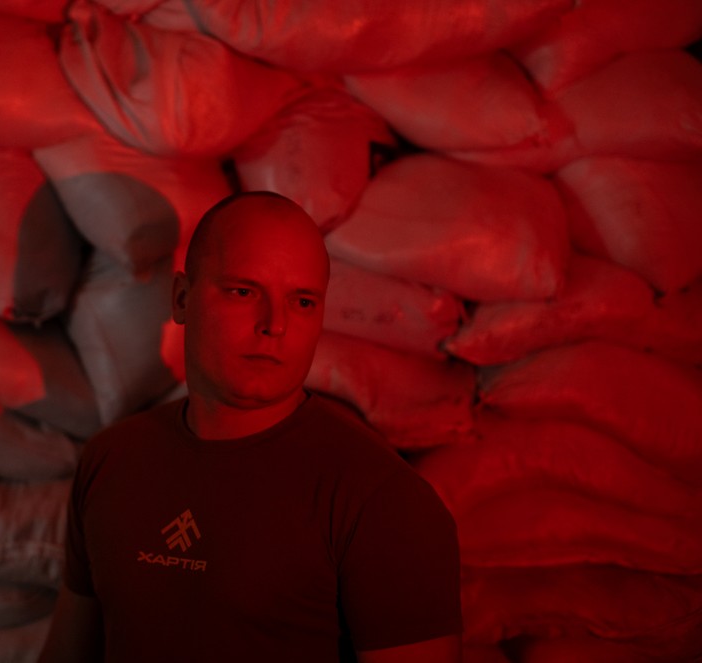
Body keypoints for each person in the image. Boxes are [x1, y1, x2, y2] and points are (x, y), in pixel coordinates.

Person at [37, 192, 462, 663]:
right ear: (182, 298)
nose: (274, 324)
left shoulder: (380, 501)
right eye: (243, 292)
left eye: (302, 302)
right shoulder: (113, 460)